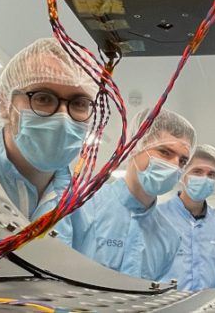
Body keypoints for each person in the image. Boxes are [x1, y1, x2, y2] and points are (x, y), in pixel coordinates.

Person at [0, 38, 98, 245]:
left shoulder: (79, 206)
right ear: (4, 103)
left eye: (79, 103)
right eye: (43, 98)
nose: (63, 117)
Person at [72, 108, 195, 281]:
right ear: (134, 147)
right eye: (164, 152)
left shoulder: (169, 238)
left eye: (182, 161)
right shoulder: (81, 208)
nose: (175, 166)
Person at [160, 145, 215, 291]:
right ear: (182, 173)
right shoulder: (158, 217)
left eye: (211, 174)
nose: (204, 178)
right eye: (197, 172)